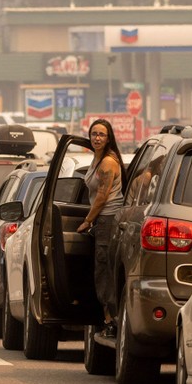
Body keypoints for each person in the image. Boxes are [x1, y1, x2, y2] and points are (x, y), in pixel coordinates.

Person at [76, 119, 125, 338]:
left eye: (101, 135)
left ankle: (111, 320)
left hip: (107, 219)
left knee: (104, 271)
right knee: (101, 269)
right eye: (94, 134)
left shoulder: (107, 162)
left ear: (109, 138)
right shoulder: (97, 159)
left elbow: (103, 196)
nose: (97, 138)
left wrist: (88, 220)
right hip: (102, 220)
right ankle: (107, 318)